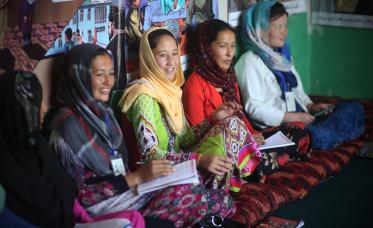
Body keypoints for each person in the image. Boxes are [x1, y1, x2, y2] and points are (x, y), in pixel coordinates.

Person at [45, 43, 234, 227]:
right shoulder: (67, 130)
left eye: (111, 74)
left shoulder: (105, 116)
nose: (108, 82)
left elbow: (179, 141)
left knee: (212, 195)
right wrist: (137, 178)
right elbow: (76, 198)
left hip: (132, 189)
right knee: (207, 200)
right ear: (78, 77)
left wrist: (212, 121)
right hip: (102, 209)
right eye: (99, 75)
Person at [119, 27, 261, 192]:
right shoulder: (143, 97)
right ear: (149, 58)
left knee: (231, 123)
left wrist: (213, 119)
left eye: (174, 53)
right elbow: (150, 154)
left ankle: (229, 185)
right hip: (156, 177)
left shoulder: (170, 91)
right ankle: (223, 190)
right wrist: (198, 159)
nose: (171, 62)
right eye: (162, 55)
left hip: (180, 167)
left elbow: (183, 140)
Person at [182, 19, 311, 182]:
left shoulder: (228, 78)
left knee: (298, 131)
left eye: (233, 46)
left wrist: (253, 135)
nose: (230, 53)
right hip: (220, 150)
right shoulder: (195, 84)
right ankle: (257, 167)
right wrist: (241, 138)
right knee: (261, 159)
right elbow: (196, 137)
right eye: (222, 46)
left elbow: (241, 117)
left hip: (243, 143)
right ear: (206, 49)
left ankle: (259, 165)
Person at [235, 1, 364, 150]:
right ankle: (315, 138)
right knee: (317, 132)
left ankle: (318, 137)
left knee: (354, 107)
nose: (284, 32)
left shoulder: (282, 57)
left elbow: (298, 93)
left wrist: (312, 106)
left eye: (286, 26)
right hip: (278, 127)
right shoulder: (250, 61)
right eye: (278, 27)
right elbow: (255, 109)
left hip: (302, 119)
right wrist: (292, 117)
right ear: (260, 28)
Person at [0, 71, 76, 227]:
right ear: (13, 110)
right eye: (33, 102)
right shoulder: (4, 163)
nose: (44, 109)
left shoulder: (37, 145)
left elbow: (68, 191)